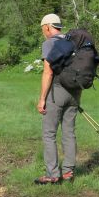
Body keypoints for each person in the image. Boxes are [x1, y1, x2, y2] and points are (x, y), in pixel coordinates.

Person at [35, 14, 81, 185]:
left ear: (47, 27)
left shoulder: (50, 43)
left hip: (57, 91)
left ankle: (52, 174)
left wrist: (42, 99)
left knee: (49, 134)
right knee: (69, 132)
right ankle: (68, 173)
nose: (43, 33)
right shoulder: (72, 41)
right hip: (75, 92)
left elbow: (48, 72)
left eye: (42, 29)